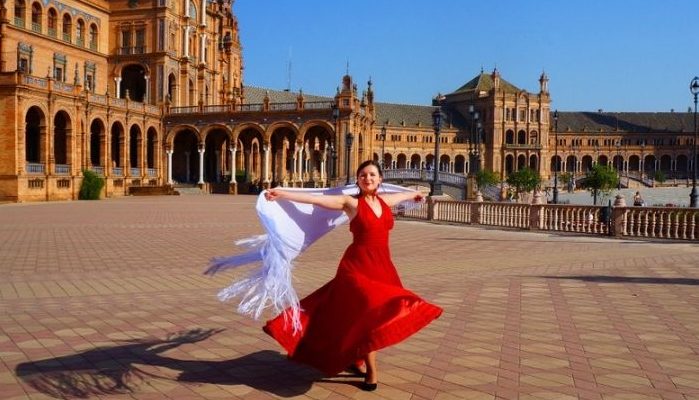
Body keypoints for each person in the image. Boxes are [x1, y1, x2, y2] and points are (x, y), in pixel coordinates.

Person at [262, 160, 442, 391]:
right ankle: (372, 372)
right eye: (363, 175)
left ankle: (356, 357)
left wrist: (413, 195)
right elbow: (318, 199)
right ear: (357, 179)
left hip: (382, 266)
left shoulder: (384, 202)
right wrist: (284, 194)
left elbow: (402, 197)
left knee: (373, 315)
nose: (367, 178)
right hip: (356, 267)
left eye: (372, 175)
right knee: (368, 310)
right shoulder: (351, 203)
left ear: (380, 179)